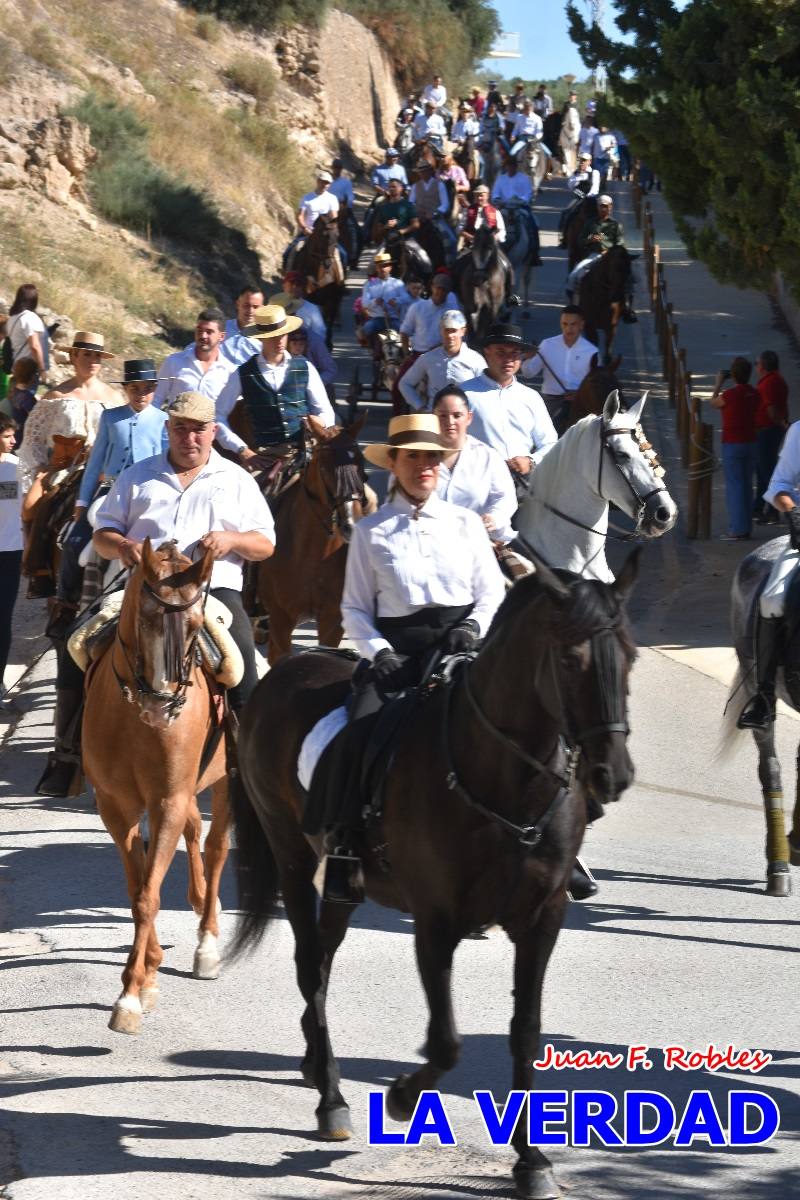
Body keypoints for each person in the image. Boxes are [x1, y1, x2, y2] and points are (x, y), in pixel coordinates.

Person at [35, 390, 276, 797]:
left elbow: (266, 544)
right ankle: (67, 754)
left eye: (198, 430)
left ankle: (250, 765)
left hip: (210, 591)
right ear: (168, 430)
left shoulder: (236, 479)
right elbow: (104, 532)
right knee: (75, 641)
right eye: (181, 429)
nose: (190, 438)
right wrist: (125, 547)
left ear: (213, 431)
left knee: (239, 661)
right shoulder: (137, 476)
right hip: (141, 590)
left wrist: (232, 539)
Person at [310, 412, 505, 899]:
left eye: (432, 458)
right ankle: (345, 843)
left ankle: (549, 839)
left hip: (462, 646)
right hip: (396, 653)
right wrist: (377, 653)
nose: (424, 466)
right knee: (358, 730)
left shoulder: (464, 524)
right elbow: (353, 607)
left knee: (525, 717)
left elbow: (491, 592)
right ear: (393, 463)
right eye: (413, 456)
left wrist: (473, 627)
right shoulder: (371, 531)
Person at [55, 359, 168, 633]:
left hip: (147, 491)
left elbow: (167, 463)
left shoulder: (164, 420)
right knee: (75, 540)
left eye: (146, 388)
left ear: (154, 389)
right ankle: (65, 606)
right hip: (110, 490)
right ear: (126, 389)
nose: (141, 394)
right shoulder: (110, 417)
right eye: (134, 388)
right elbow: (95, 464)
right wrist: (82, 502)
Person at [214, 303, 335, 465]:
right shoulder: (242, 373)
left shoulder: (305, 367)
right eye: (273, 336)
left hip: (306, 451)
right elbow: (218, 416)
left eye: (283, 334)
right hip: (264, 457)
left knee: (354, 487)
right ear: (260, 337)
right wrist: (242, 449)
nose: (279, 340)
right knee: (250, 489)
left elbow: (326, 412)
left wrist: (321, 422)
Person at [17, 330, 117, 502]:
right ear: (74, 356)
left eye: (97, 356)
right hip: (62, 470)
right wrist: (40, 466)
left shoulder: (114, 398)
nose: (93, 361)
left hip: (103, 470)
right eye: (87, 355)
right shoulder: (56, 397)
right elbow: (32, 439)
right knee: (29, 507)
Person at [462, 324, 557, 490]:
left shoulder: (531, 397)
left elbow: (549, 442)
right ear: (487, 352)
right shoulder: (463, 394)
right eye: (501, 353)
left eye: (515, 353)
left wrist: (530, 461)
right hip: (476, 486)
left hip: (523, 487)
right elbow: (449, 441)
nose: (509, 359)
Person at [433, 385, 516, 545]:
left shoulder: (488, 456)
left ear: (469, 418)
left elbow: (505, 497)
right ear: (433, 417)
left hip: (479, 543)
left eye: (457, 415)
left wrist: (494, 517)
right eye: (443, 416)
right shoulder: (418, 456)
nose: (450, 422)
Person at [521, 305, 599, 433]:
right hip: (551, 402)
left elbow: (596, 384)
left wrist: (578, 393)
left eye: (573, 324)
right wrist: (527, 358)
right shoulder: (547, 345)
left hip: (579, 402)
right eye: (565, 324)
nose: (568, 328)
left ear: (581, 325)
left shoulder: (592, 351)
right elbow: (529, 373)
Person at [708, 357, 759, 541]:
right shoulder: (754, 393)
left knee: (735, 487)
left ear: (734, 375)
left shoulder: (730, 395)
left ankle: (737, 529)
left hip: (733, 443)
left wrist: (718, 383)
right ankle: (746, 526)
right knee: (746, 485)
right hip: (751, 442)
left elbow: (713, 402)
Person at [399, 310, 486, 412]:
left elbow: (487, 389)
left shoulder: (475, 360)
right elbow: (405, 383)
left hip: (465, 423)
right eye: (446, 330)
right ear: (441, 330)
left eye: (453, 330)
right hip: (434, 421)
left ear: (463, 331)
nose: (449, 335)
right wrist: (420, 407)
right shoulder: (428, 358)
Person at [154, 308, 234, 410]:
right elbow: (156, 399)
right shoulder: (174, 362)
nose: (203, 335)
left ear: (221, 336)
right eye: (199, 330)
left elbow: (233, 411)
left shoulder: (230, 372)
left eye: (209, 332)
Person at [0, 416, 23, 714]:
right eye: (7, 436)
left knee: (3, 617)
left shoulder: (18, 467)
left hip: (11, 551)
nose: (13, 440)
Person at [753, 350, 789, 524]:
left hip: (767, 430)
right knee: (762, 470)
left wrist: (779, 423)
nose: (756, 366)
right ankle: (759, 507)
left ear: (763, 366)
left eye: (757, 363)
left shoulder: (769, 383)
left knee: (767, 471)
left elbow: (772, 408)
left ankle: (774, 510)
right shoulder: (777, 380)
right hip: (770, 430)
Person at [566, 194, 625, 296]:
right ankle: (574, 302)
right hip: (593, 255)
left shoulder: (616, 225)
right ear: (597, 207)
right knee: (573, 275)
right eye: (601, 206)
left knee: (626, 277)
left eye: (606, 206)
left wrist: (610, 251)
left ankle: (626, 304)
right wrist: (590, 239)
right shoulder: (590, 223)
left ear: (611, 207)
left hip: (610, 257)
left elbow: (620, 244)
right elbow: (580, 241)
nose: (603, 209)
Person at [491, 156, 542, 266]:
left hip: (520, 207)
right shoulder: (501, 179)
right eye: (508, 166)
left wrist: (518, 201)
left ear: (516, 166)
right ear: (506, 167)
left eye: (512, 166)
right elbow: (495, 194)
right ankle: (489, 248)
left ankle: (534, 252)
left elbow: (527, 195)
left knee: (533, 223)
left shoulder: (523, 178)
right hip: (503, 208)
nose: (510, 168)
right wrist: (498, 201)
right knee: (490, 223)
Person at [357, 252, 409, 345]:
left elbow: (406, 298)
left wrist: (396, 301)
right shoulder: (369, 284)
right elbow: (364, 303)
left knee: (405, 333)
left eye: (385, 266)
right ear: (376, 268)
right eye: (380, 266)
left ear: (390, 267)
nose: (383, 269)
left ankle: (405, 355)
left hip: (393, 318)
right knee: (366, 330)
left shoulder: (398, 283)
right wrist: (374, 301)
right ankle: (373, 350)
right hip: (376, 318)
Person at [409, 160, 456, 257]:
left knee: (452, 240)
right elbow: (411, 203)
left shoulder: (440, 184)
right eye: (421, 172)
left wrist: (434, 213)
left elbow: (445, 204)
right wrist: (417, 213)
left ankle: (451, 263)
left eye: (425, 171)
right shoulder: (414, 186)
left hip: (435, 217)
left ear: (430, 171)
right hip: (419, 217)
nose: (423, 173)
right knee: (407, 239)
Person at [6, 283, 47, 388]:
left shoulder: (12, 318)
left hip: (17, 367)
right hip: (29, 370)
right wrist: (42, 369)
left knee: (15, 399)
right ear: (34, 299)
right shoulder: (30, 318)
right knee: (26, 402)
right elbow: (35, 346)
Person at [220, 283, 265, 367]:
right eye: (246, 305)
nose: (250, 310)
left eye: (255, 307)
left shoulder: (266, 340)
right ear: (238, 304)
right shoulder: (221, 328)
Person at [285, 323, 337, 393]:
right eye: (294, 344)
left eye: (301, 344)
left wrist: (313, 385)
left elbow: (330, 369)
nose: (298, 347)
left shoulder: (308, 364)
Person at [275, 273, 327, 342]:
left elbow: (320, 334)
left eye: (298, 284)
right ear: (284, 286)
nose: (294, 287)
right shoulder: (275, 307)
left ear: (303, 288)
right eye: (291, 283)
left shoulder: (312, 309)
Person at [372, 177, 419, 244]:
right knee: (377, 254)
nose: (391, 189)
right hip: (387, 242)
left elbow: (416, 224)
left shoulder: (408, 205)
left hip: (407, 240)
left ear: (401, 188)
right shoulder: (383, 207)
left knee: (422, 254)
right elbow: (378, 230)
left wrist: (400, 232)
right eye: (389, 187)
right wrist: (386, 226)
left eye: (394, 187)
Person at [297, 170, 339, 237]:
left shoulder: (332, 199)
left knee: (338, 247)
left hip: (324, 234)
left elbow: (334, 218)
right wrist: (304, 228)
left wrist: (330, 229)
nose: (325, 185)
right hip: (307, 232)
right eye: (323, 182)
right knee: (293, 246)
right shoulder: (306, 197)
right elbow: (300, 216)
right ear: (318, 181)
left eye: (327, 183)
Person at [7, 357, 38, 442]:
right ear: (32, 377)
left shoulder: (12, 389)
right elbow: (35, 420)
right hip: (21, 437)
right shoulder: (29, 398)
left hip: (11, 432)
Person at [559, 91, 582, 175]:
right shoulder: (566, 104)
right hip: (566, 122)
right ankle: (559, 141)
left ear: (575, 96)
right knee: (561, 129)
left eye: (574, 95)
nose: (572, 96)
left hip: (576, 123)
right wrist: (563, 121)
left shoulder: (577, 105)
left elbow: (579, 115)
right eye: (571, 95)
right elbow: (563, 113)